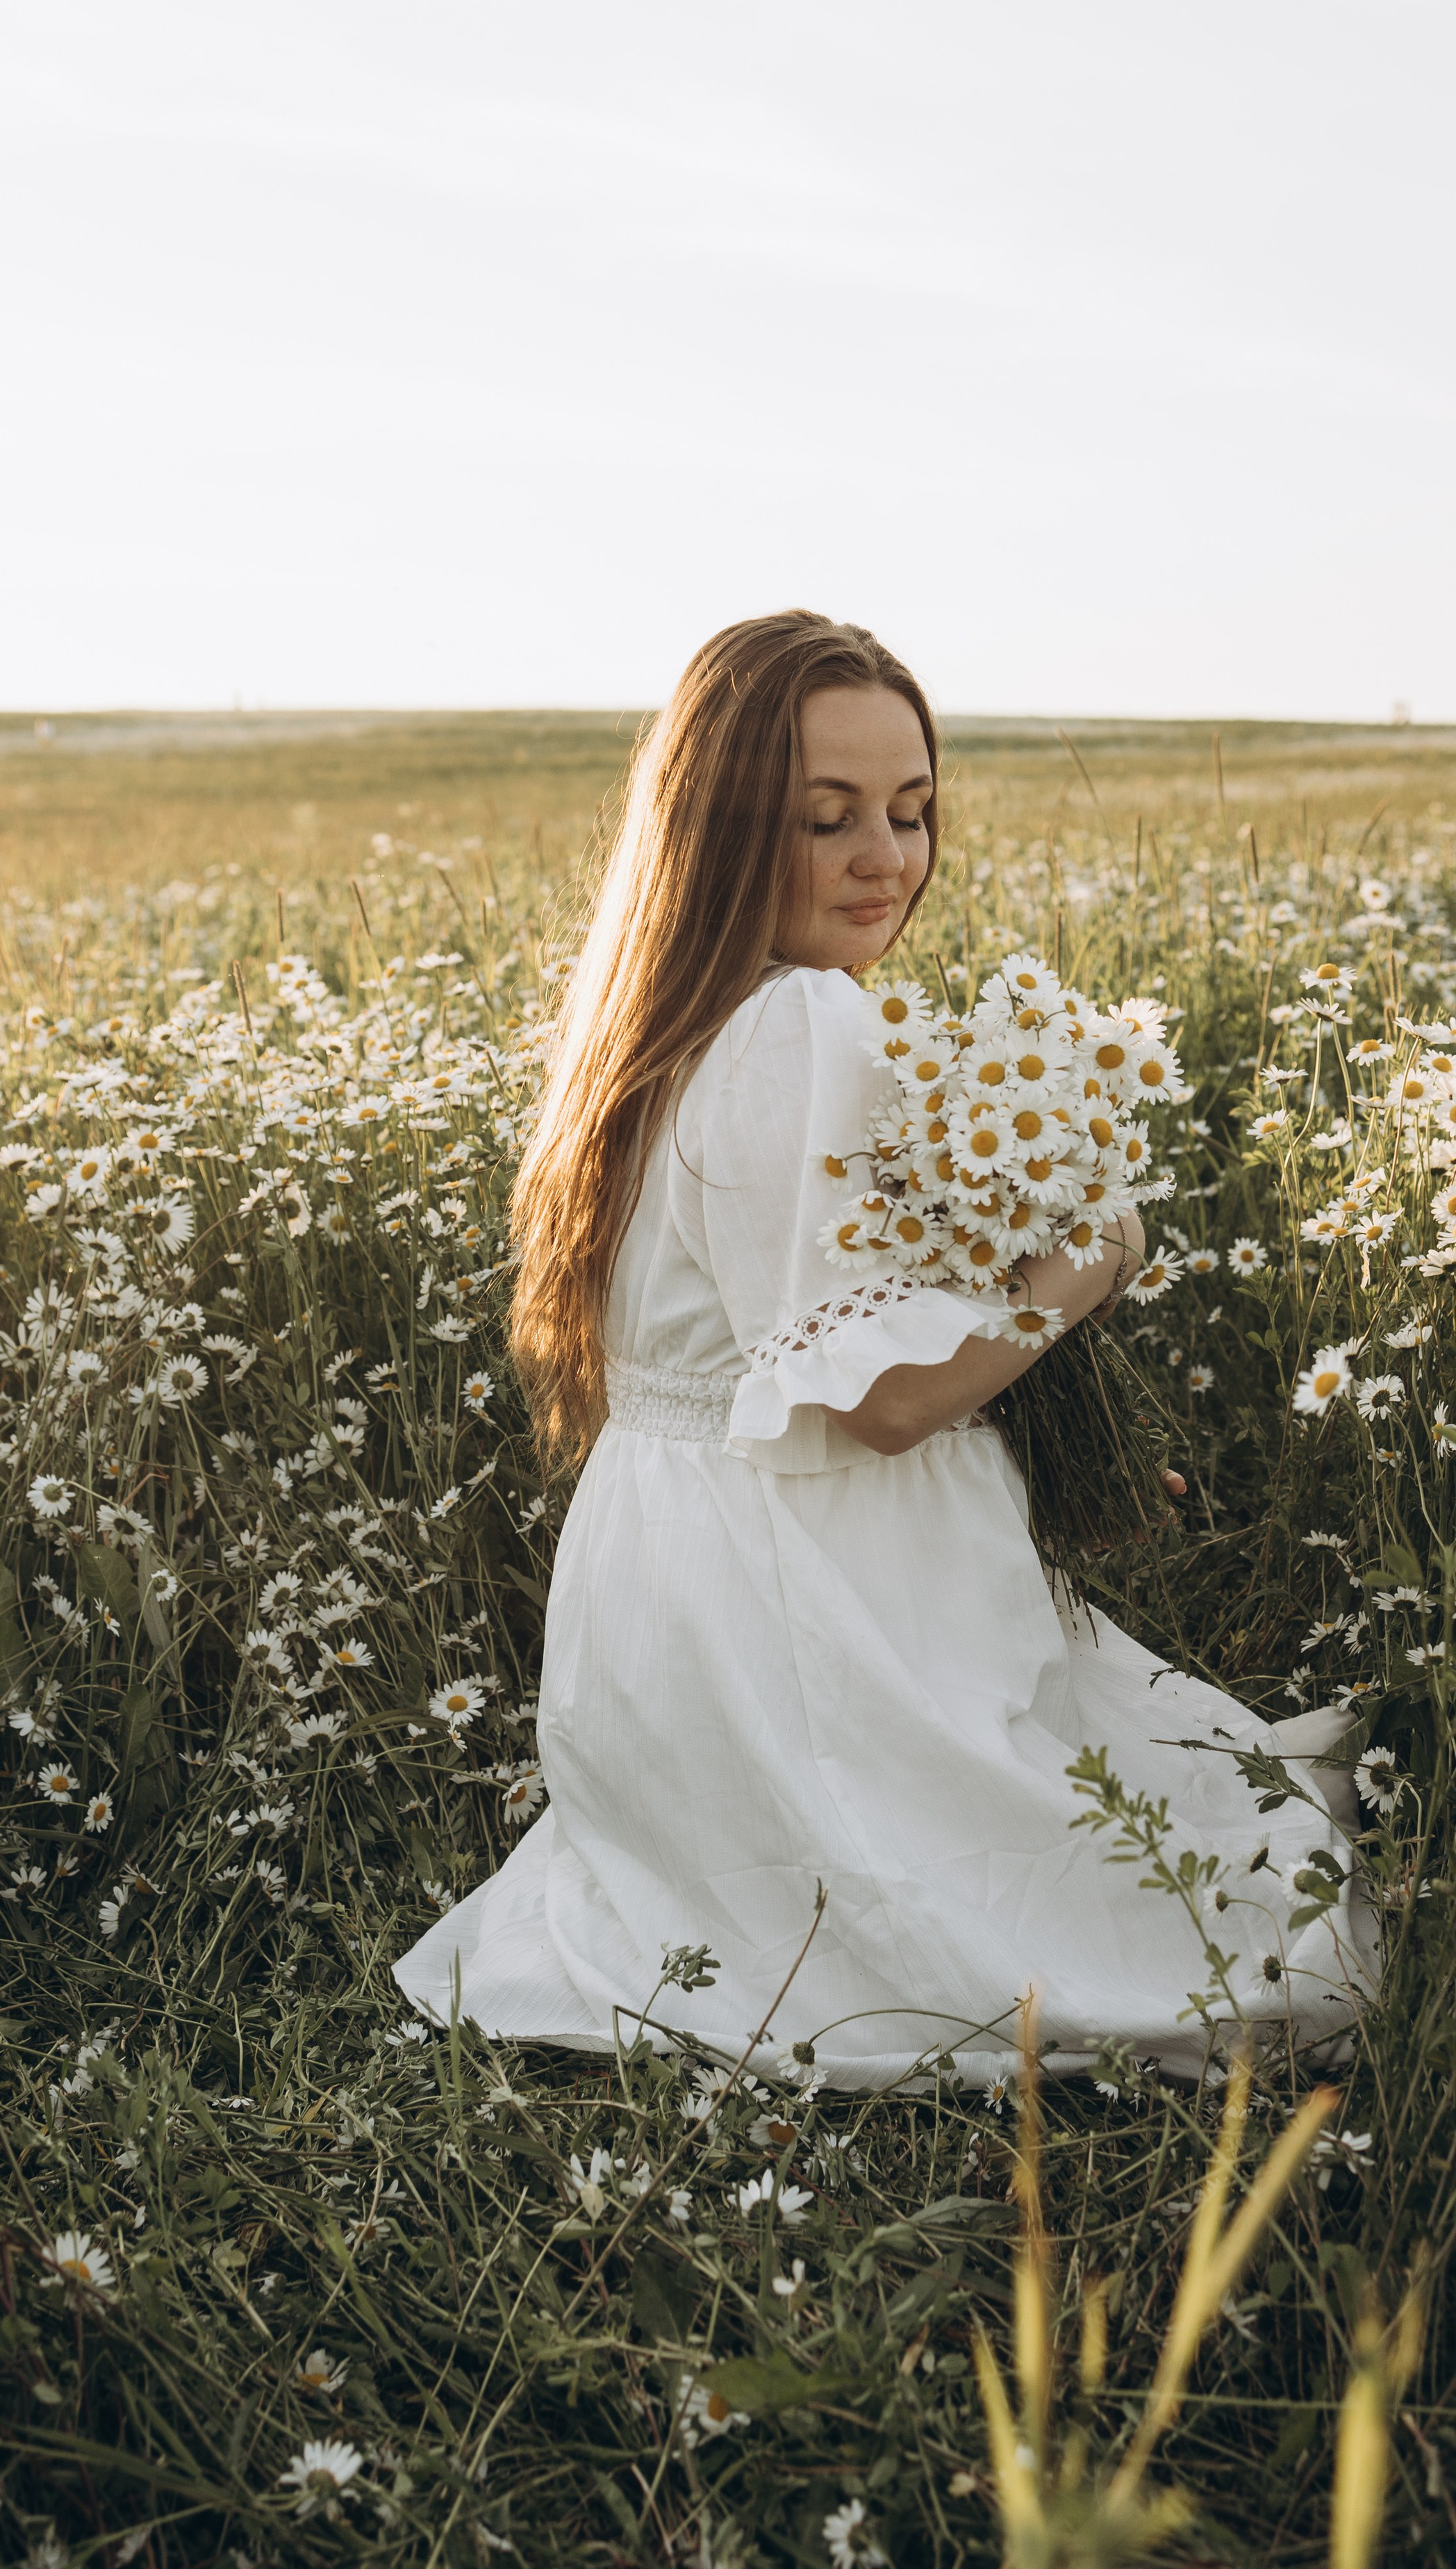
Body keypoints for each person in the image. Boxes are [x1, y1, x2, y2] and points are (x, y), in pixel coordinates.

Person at [394, 612, 1373, 2089]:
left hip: (670, 1612)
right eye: (825, 817)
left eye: (911, 811)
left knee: (1134, 1808)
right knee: (1225, 1921)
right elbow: (895, 1405)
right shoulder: (799, 1026)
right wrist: (1078, 1263)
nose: (885, 859)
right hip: (806, 1595)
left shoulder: (658, 1019)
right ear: (719, 830)